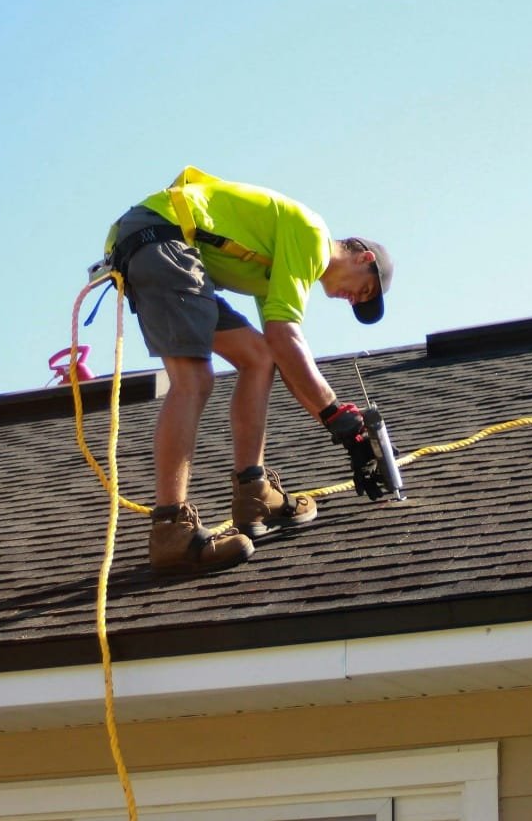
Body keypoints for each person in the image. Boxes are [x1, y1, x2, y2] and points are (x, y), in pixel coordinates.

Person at [102, 166, 395, 576]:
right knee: (193, 379)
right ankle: (170, 530)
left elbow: (279, 347)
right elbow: (288, 335)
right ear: (364, 257)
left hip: (166, 248)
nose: (352, 299)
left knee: (258, 357)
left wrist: (338, 424)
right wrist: (336, 416)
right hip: (161, 240)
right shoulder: (311, 235)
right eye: (363, 289)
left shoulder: (279, 267)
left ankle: (253, 492)